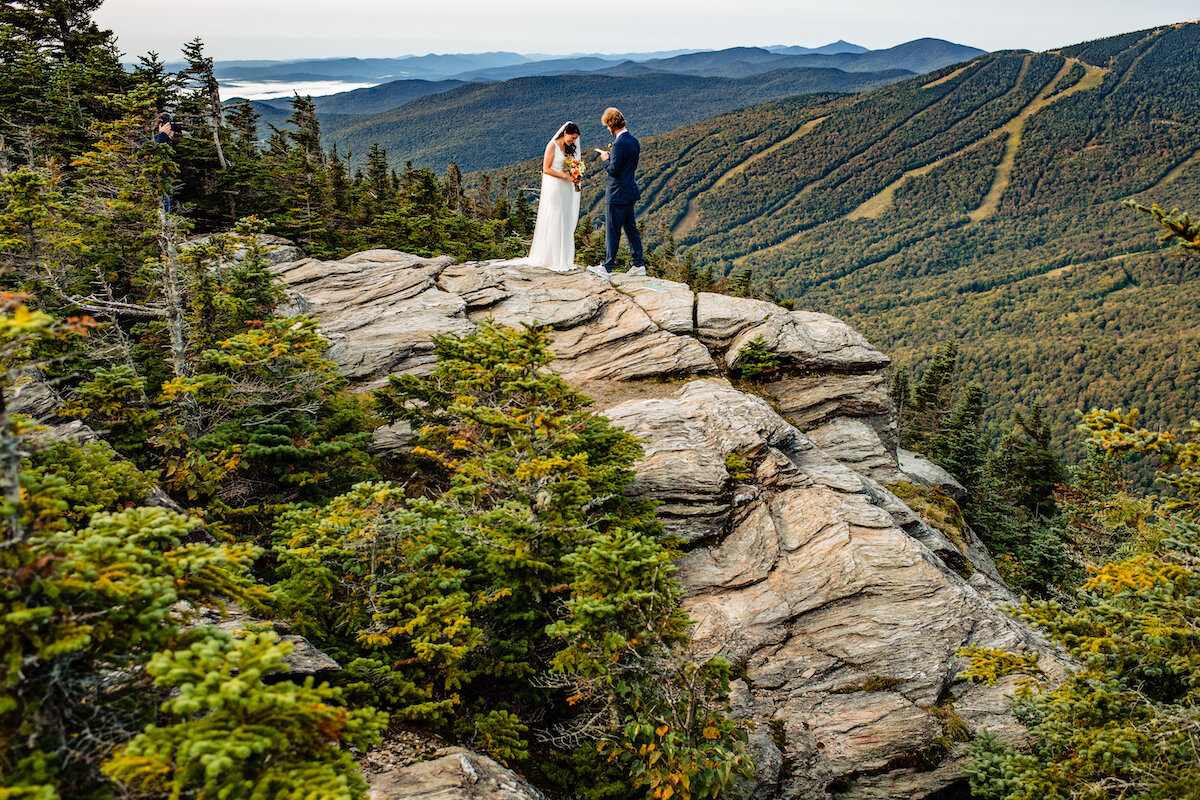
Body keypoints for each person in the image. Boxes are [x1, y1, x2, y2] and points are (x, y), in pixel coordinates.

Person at [526, 121, 582, 270]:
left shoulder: (569, 148)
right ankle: (552, 258)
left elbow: (572, 164)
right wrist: (566, 176)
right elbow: (546, 169)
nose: (573, 141)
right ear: (565, 133)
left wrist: (575, 174)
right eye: (572, 137)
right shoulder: (552, 146)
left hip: (567, 187)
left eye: (575, 138)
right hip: (555, 186)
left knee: (565, 219)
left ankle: (563, 257)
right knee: (556, 217)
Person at [597, 107, 644, 277]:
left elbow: (614, 170)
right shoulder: (633, 141)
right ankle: (638, 265)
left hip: (617, 193)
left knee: (612, 229)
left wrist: (606, 159)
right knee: (630, 228)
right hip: (629, 190)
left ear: (610, 125)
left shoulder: (618, 144)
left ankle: (607, 266)